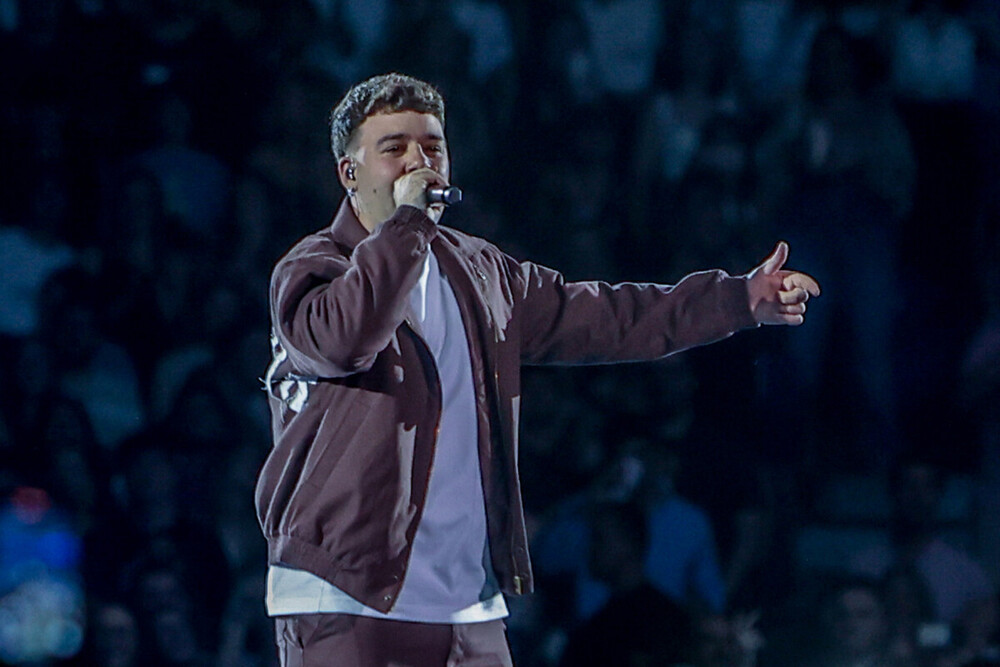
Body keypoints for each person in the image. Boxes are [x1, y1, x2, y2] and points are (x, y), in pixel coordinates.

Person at [255, 73, 820, 666]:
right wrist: (406, 227)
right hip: (346, 594)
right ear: (350, 173)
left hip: (465, 603)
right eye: (393, 148)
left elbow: (610, 316)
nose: (417, 162)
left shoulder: (481, 274)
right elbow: (347, 340)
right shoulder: (314, 267)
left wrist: (736, 300)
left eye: (432, 146)